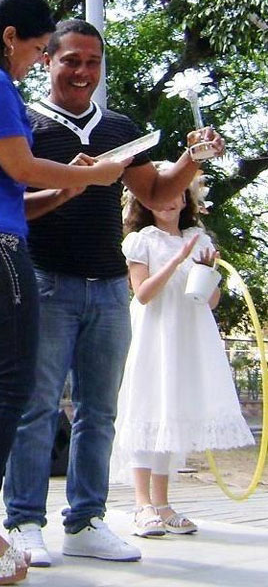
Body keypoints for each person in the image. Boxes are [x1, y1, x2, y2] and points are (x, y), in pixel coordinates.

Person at [0, 0, 129, 584]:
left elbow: (11, 190)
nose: (38, 62)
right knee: (10, 385)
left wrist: (69, 188)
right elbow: (20, 167)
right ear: (12, 37)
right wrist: (103, 173)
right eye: (40, 50)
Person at [3, 18, 226, 566]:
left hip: (107, 288)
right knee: (36, 407)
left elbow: (154, 191)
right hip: (44, 278)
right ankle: (24, 522)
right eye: (70, 60)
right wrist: (73, 182)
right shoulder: (23, 123)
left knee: (99, 411)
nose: (82, 71)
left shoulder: (119, 128)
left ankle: (85, 521)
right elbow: (9, 205)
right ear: (48, 61)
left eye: (93, 61)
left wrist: (191, 160)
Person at [112, 186, 254, 537]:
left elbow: (211, 301)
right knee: (148, 405)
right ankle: (142, 502)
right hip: (155, 331)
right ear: (144, 202)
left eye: (176, 193)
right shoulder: (142, 240)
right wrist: (178, 260)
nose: (169, 201)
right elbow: (142, 293)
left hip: (187, 332)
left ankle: (163, 502)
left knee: (171, 410)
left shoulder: (198, 237)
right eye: (159, 195)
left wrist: (206, 271)